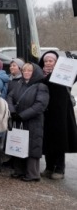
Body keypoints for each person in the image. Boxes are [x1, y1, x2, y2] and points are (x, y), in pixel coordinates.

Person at [6, 62, 49, 181]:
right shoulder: (19, 84)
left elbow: (40, 105)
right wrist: (13, 111)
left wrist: (22, 116)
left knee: (32, 147)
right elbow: (10, 97)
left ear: (35, 73)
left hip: (33, 122)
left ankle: (33, 174)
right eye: (24, 70)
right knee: (19, 145)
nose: (26, 73)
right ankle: (19, 170)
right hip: (19, 120)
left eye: (29, 71)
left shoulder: (41, 86)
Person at [38, 51, 77, 180]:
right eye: (46, 61)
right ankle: (49, 167)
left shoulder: (63, 74)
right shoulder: (41, 74)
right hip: (47, 111)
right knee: (47, 140)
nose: (48, 63)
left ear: (56, 62)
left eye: (51, 61)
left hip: (61, 113)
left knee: (60, 140)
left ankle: (60, 168)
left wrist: (73, 62)